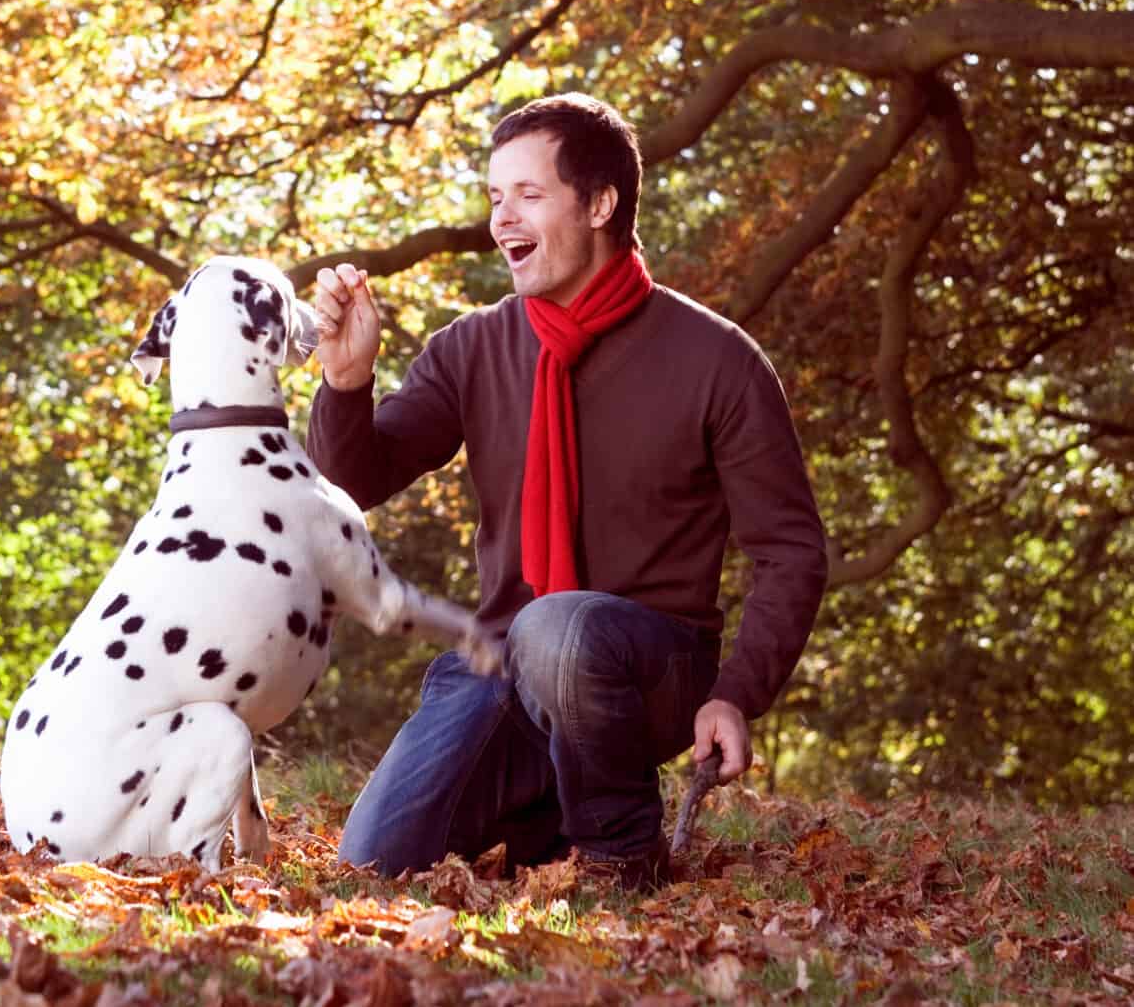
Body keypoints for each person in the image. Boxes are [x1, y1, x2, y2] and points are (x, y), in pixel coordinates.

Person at [305, 93, 829, 888]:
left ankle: (622, 852)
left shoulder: (717, 360)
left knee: (558, 628)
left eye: (528, 194)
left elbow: (791, 552)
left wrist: (735, 695)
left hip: (650, 668)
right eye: (493, 197)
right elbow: (354, 482)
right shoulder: (472, 347)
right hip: (503, 661)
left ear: (600, 204)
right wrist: (347, 384)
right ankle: (546, 808)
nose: (502, 220)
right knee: (372, 862)